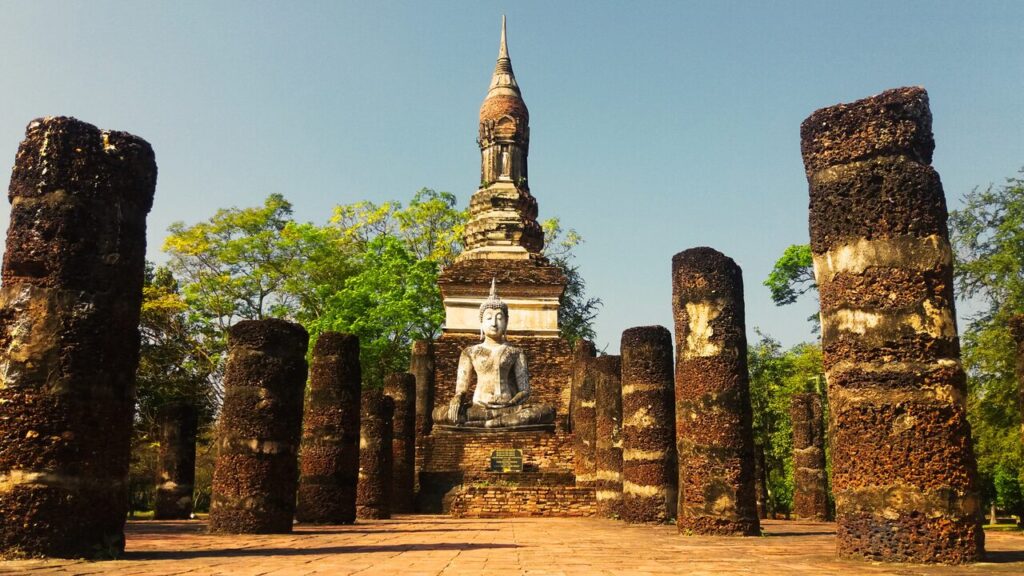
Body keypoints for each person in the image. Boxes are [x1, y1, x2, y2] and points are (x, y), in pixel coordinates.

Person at [433, 280, 555, 429]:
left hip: (508, 408)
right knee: (440, 414)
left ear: (506, 322)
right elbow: (461, 389)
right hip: (478, 408)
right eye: (489, 318)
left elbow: (525, 391)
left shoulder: (516, 352)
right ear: (481, 323)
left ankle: (487, 424)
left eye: (499, 318)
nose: (494, 323)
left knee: (545, 411)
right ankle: (492, 422)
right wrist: (457, 398)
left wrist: (511, 403)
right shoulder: (470, 352)